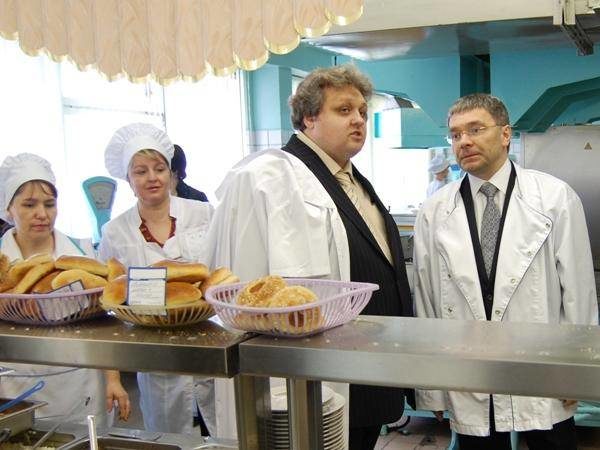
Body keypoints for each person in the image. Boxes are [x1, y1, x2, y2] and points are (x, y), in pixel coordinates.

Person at [203, 65, 413, 450]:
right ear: (308, 118)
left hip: (370, 371)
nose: (358, 120)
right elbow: (245, 292)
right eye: (344, 110)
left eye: (362, 112)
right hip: (319, 377)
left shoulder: (353, 180)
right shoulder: (267, 178)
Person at [413, 93, 598, 450]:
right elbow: (427, 300)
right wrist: (432, 386)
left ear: (505, 134)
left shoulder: (554, 197)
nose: (464, 141)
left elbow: (579, 291)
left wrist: (577, 374)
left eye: (475, 129)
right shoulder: (434, 211)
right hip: (469, 369)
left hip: (543, 367)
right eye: (455, 134)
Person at [98, 123, 215, 435]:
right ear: (128, 179)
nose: (152, 177)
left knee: (222, 436)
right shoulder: (115, 232)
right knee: (169, 439)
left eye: (159, 168)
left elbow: (223, 277)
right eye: (140, 171)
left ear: (171, 173)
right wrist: (112, 377)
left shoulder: (204, 214)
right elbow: (105, 305)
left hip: (209, 345)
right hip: (156, 358)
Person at [0, 153, 130, 427]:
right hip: (15, 385)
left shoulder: (81, 254)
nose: (42, 214)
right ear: (8, 208)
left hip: (79, 383)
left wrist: (113, 378)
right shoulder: (3, 262)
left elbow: (102, 323)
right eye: (29, 205)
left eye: (49, 204)